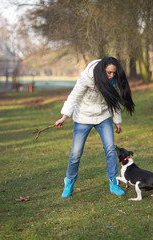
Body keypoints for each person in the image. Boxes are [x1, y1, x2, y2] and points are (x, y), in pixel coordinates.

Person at [54, 57, 135, 198]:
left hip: (103, 117)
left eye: (113, 73)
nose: (111, 76)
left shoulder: (112, 81)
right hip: (83, 118)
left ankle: (113, 182)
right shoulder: (86, 78)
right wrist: (64, 116)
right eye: (109, 73)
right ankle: (69, 182)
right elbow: (73, 97)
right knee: (75, 153)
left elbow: (113, 101)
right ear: (101, 70)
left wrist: (117, 122)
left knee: (110, 149)